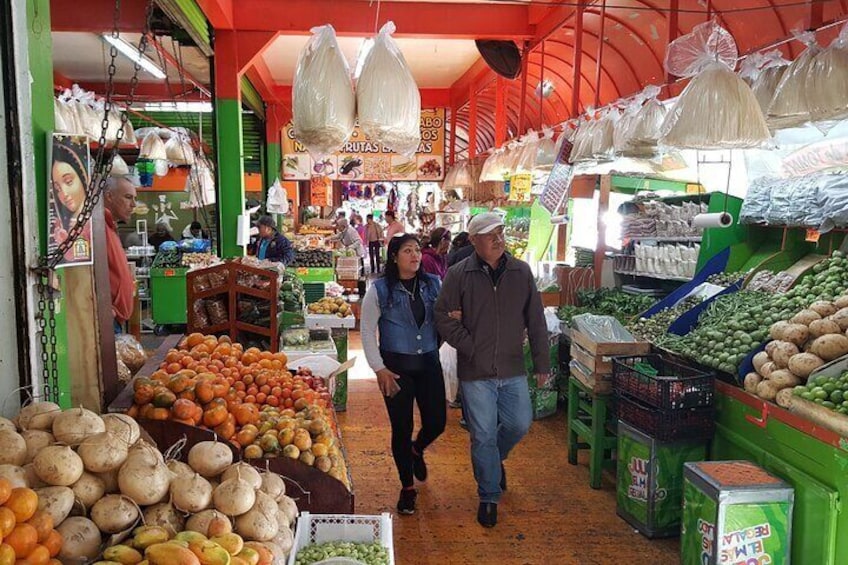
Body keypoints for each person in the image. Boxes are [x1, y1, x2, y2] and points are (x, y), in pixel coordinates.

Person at [435, 212, 550, 529]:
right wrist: (469, 346)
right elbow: (442, 316)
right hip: (476, 372)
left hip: (513, 367)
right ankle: (488, 495)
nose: (498, 238)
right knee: (482, 434)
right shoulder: (459, 274)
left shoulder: (521, 272)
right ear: (473, 241)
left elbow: (536, 320)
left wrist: (542, 362)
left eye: (500, 232)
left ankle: (493, 462)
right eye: (489, 234)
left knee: (519, 424)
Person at [360, 234, 446, 515]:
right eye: (407, 250)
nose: (415, 255)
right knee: (402, 428)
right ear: (394, 256)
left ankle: (417, 449)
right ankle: (407, 488)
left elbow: (443, 321)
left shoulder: (433, 285)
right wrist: (379, 368)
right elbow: (367, 331)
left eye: (417, 250)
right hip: (395, 371)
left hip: (429, 365)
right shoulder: (381, 290)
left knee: (437, 422)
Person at [103, 176, 138, 333]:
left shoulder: (110, 227)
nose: (133, 205)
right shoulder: (98, 228)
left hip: (115, 320)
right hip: (108, 319)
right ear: (109, 196)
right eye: (128, 197)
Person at [50, 136, 92, 263]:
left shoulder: (92, 225)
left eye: (68, 182)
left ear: (82, 178)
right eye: (57, 189)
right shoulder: (58, 225)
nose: (64, 194)